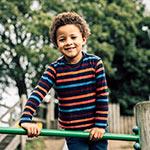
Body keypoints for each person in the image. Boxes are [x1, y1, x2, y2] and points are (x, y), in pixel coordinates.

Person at [19, 11, 109, 150]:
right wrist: (26, 119)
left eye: (73, 37)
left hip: (96, 128)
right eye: (62, 39)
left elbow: (102, 95)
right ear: (56, 44)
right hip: (73, 131)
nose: (69, 43)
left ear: (83, 39)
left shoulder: (95, 63)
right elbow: (38, 93)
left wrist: (100, 125)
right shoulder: (54, 69)